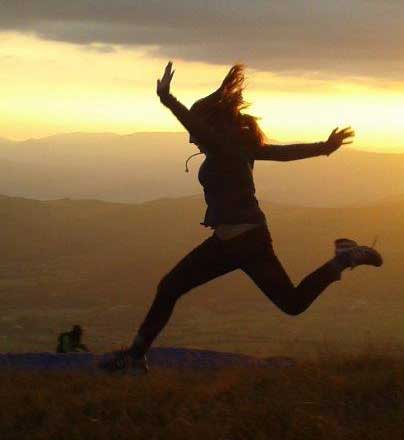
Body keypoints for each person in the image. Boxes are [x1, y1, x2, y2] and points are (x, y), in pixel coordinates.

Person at [99, 61, 383, 373]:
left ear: (209, 128)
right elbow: (284, 153)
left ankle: (135, 358)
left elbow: (263, 147)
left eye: (195, 132)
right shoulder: (235, 148)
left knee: (175, 288)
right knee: (287, 302)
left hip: (244, 242)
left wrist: (167, 98)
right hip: (234, 242)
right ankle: (342, 259)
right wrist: (324, 147)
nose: (192, 139)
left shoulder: (224, 148)